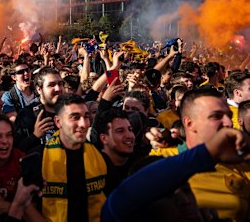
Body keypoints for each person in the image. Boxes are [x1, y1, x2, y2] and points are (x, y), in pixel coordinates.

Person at [102, 127, 250, 222]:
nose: (185, 201)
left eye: (187, 191)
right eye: (169, 195)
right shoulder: (121, 208)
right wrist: (207, 153)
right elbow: (124, 196)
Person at [146, 88, 250, 222]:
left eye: (229, 116)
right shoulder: (162, 159)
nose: (229, 123)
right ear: (189, 123)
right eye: (216, 116)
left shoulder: (240, 161)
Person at [36, 94, 107, 222]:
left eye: (86, 116)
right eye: (75, 117)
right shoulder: (39, 157)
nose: (84, 124)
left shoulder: (99, 157)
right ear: (58, 122)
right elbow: (26, 205)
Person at [0, 114, 44, 221]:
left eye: (9, 135)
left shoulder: (22, 162)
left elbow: (34, 215)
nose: (5, 141)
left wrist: (6, 206)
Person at [14, 67, 63, 152]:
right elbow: (17, 150)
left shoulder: (68, 111)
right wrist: (35, 136)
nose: (58, 89)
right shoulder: (26, 114)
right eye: (51, 85)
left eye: (60, 84)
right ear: (39, 89)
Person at [94, 108, 135, 196]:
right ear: (104, 138)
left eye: (130, 129)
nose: (129, 135)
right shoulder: (94, 170)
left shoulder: (138, 163)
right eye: (120, 131)